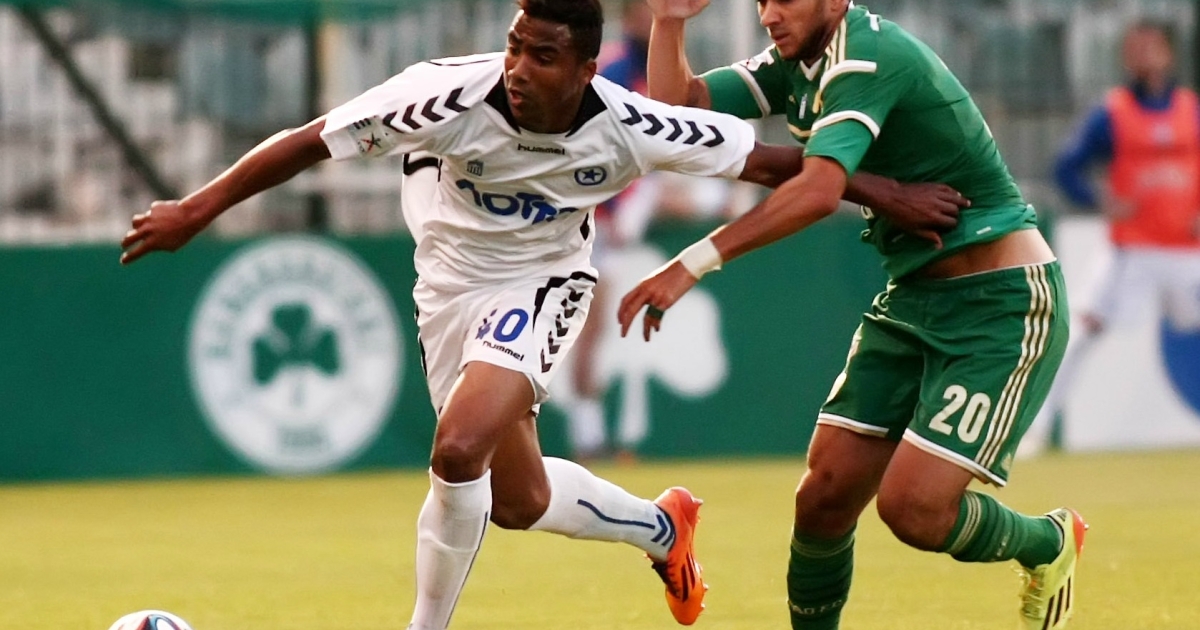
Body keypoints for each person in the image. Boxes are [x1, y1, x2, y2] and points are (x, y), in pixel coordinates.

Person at [118, 1, 962, 628]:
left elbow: (772, 161)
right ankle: (662, 528)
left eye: (544, 55)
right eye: (517, 46)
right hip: (446, 289)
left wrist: (885, 191)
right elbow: (311, 140)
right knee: (516, 500)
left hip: (544, 282)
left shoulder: (632, 125)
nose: (520, 68)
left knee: (458, 448)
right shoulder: (443, 94)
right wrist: (196, 209)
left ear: (587, 69)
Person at [622, 1, 1087, 629]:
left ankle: (1048, 541)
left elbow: (818, 191)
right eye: (762, 0)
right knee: (823, 496)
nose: (769, 14)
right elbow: (682, 106)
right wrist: (670, 21)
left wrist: (692, 262)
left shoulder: (863, 56)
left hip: (998, 303)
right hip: (914, 296)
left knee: (914, 510)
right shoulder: (798, 61)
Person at [1028, 20, 1200, 453]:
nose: (1144, 56)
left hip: (1186, 249)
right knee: (1081, 329)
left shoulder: (1189, 108)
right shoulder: (1113, 111)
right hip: (1132, 247)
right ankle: (1038, 428)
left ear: (1169, 53)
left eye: (1152, 47)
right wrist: (1097, 198)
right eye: (1135, 48)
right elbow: (1066, 166)